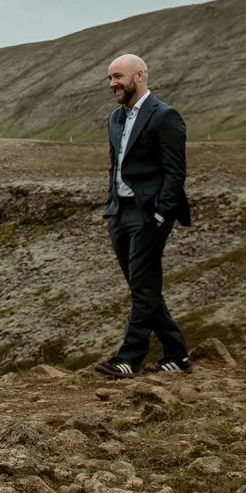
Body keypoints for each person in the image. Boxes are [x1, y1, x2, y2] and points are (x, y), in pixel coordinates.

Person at [95, 54, 193, 379]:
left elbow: (175, 171)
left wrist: (161, 213)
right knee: (143, 286)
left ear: (139, 76)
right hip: (119, 213)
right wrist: (112, 204)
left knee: (142, 285)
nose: (113, 84)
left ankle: (129, 358)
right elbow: (115, 165)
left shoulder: (165, 117)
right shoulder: (114, 118)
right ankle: (176, 353)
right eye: (110, 78)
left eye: (118, 77)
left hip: (149, 215)